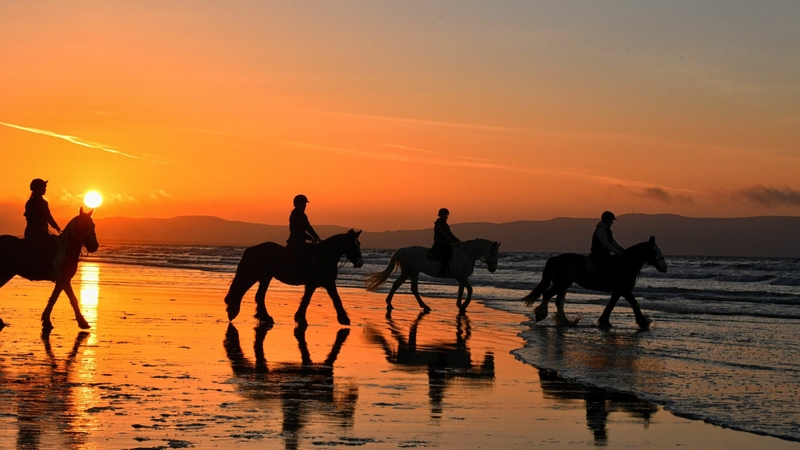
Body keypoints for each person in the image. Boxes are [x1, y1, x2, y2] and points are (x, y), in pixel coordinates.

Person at [24, 178, 61, 264]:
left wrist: (56, 227)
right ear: (38, 188)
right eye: (43, 187)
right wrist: (40, 227)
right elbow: (29, 218)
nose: (45, 189)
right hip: (33, 232)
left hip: (43, 232)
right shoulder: (31, 203)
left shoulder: (44, 202)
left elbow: (49, 217)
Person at [287, 194, 320, 275]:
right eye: (303, 204)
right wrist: (311, 239)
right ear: (298, 204)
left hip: (301, 241)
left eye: (305, 204)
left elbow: (308, 228)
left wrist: (317, 237)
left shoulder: (303, 216)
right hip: (295, 242)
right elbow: (298, 231)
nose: (305, 206)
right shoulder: (295, 215)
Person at [432, 208, 460, 277]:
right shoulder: (439, 224)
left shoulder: (445, 225)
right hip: (440, 243)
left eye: (447, 215)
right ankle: (442, 271)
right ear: (441, 215)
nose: (447, 217)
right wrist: (452, 241)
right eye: (445, 215)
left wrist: (457, 240)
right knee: (446, 255)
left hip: (445, 243)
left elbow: (450, 234)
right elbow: (443, 234)